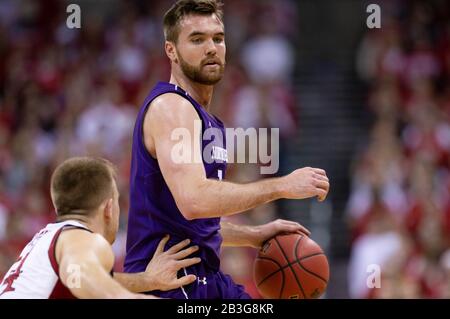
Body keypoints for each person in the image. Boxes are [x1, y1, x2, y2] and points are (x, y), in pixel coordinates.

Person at [124, 0, 330, 299]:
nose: (211, 47)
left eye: (217, 38)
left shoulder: (207, 120)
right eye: (197, 39)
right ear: (172, 51)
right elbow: (194, 201)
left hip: (202, 279)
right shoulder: (172, 107)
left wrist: (252, 235)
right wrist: (282, 186)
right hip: (171, 284)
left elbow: (192, 222)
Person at [0, 157, 201, 299]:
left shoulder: (48, 239)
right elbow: (81, 276)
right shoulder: (80, 239)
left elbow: (80, 276)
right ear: (109, 208)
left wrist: (146, 280)